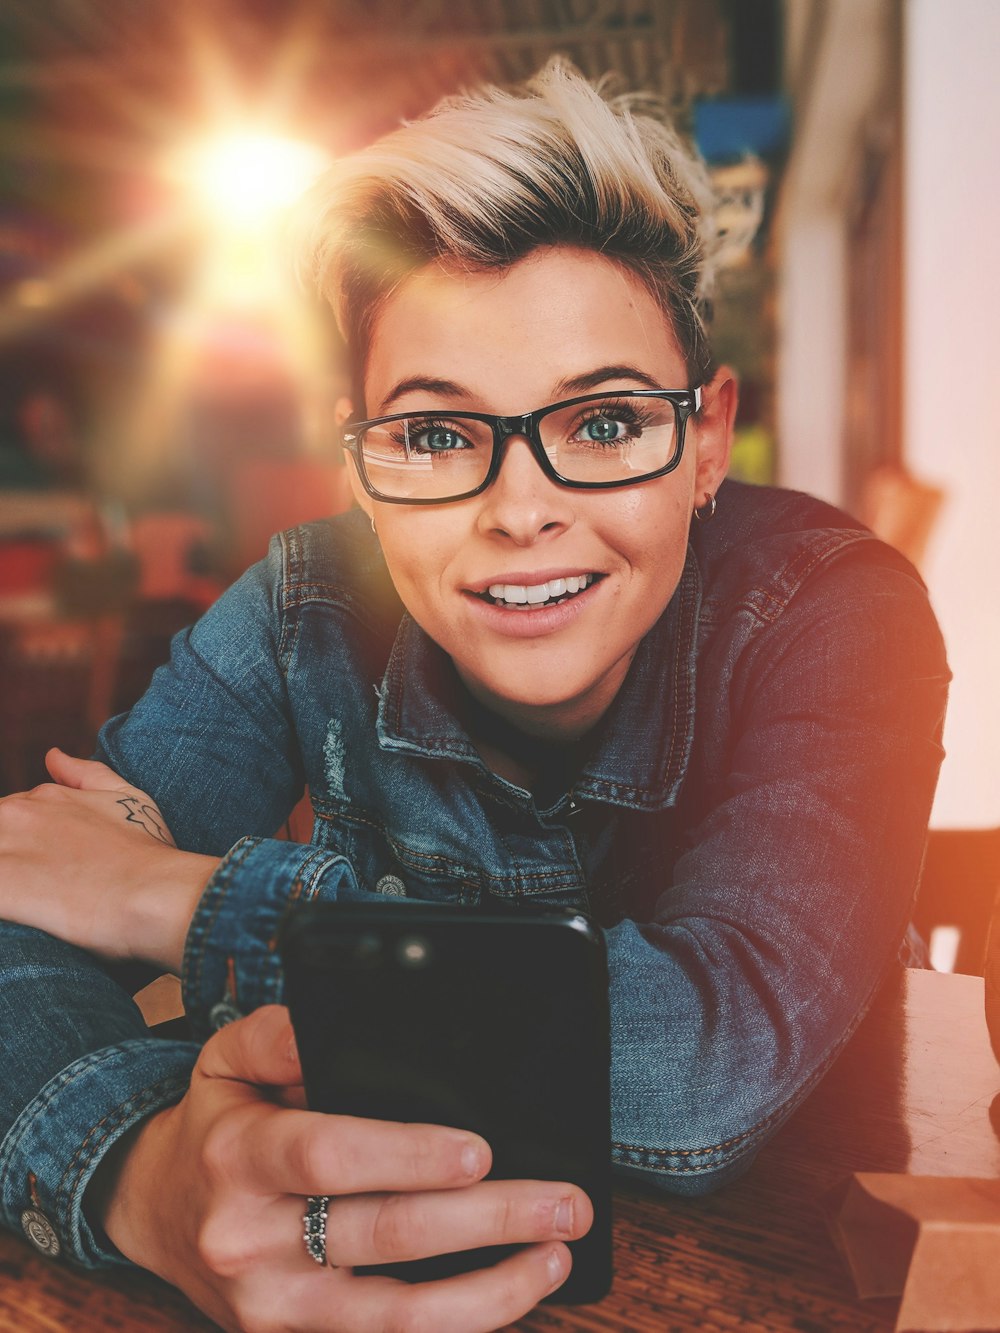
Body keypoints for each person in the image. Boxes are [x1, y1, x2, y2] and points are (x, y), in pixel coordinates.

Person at [0, 60, 948, 1332]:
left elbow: (699, 1069)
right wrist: (134, 1171)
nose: (519, 511)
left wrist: (174, 898)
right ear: (363, 463)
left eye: (605, 422)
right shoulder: (301, 606)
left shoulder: (836, 609)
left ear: (707, 438)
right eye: (439, 436)